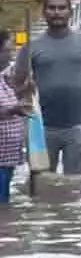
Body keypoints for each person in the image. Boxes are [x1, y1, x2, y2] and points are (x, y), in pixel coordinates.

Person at [12, 0, 81, 176]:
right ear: (44, 13)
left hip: (79, 125)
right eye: (52, 8)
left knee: (77, 183)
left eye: (62, 8)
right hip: (42, 128)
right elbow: (16, 87)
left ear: (70, 13)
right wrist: (26, 91)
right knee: (42, 184)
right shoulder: (31, 47)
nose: (57, 12)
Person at [0, 30, 30, 203]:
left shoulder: (5, 77)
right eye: (7, 51)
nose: (11, 56)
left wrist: (24, 91)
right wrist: (13, 110)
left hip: (7, 156)